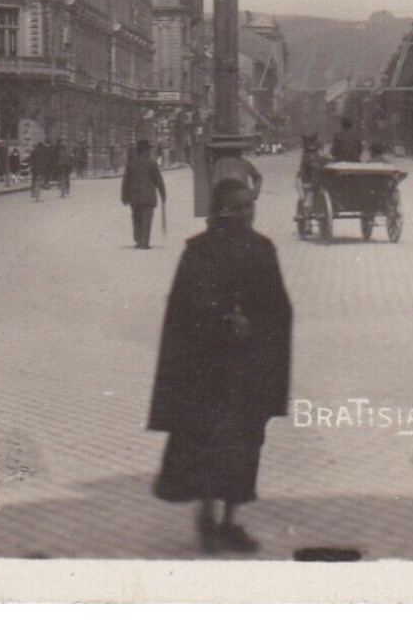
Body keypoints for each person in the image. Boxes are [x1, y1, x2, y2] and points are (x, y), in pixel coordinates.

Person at [148, 177, 292, 554]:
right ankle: (208, 517)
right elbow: (184, 307)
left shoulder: (263, 249)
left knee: (245, 445)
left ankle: (230, 522)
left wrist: (258, 328)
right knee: (208, 442)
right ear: (220, 209)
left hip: (248, 370)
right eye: (236, 207)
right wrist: (223, 318)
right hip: (208, 369)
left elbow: (278, 308)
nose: (245, 213)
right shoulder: (200, 251)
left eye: (249, 205)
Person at [122, 139, 167, 249]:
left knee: (136, 218)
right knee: (147, 219)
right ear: (145, 151)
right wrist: (163, 194)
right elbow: (158, 180)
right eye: (149, 150)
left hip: (135, 197)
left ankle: (138, 240)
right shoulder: (152, 163)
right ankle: (145, 241)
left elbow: (126, 182)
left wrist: (124, 197)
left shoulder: (131, 163)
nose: (150, 152)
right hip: (148, 197)